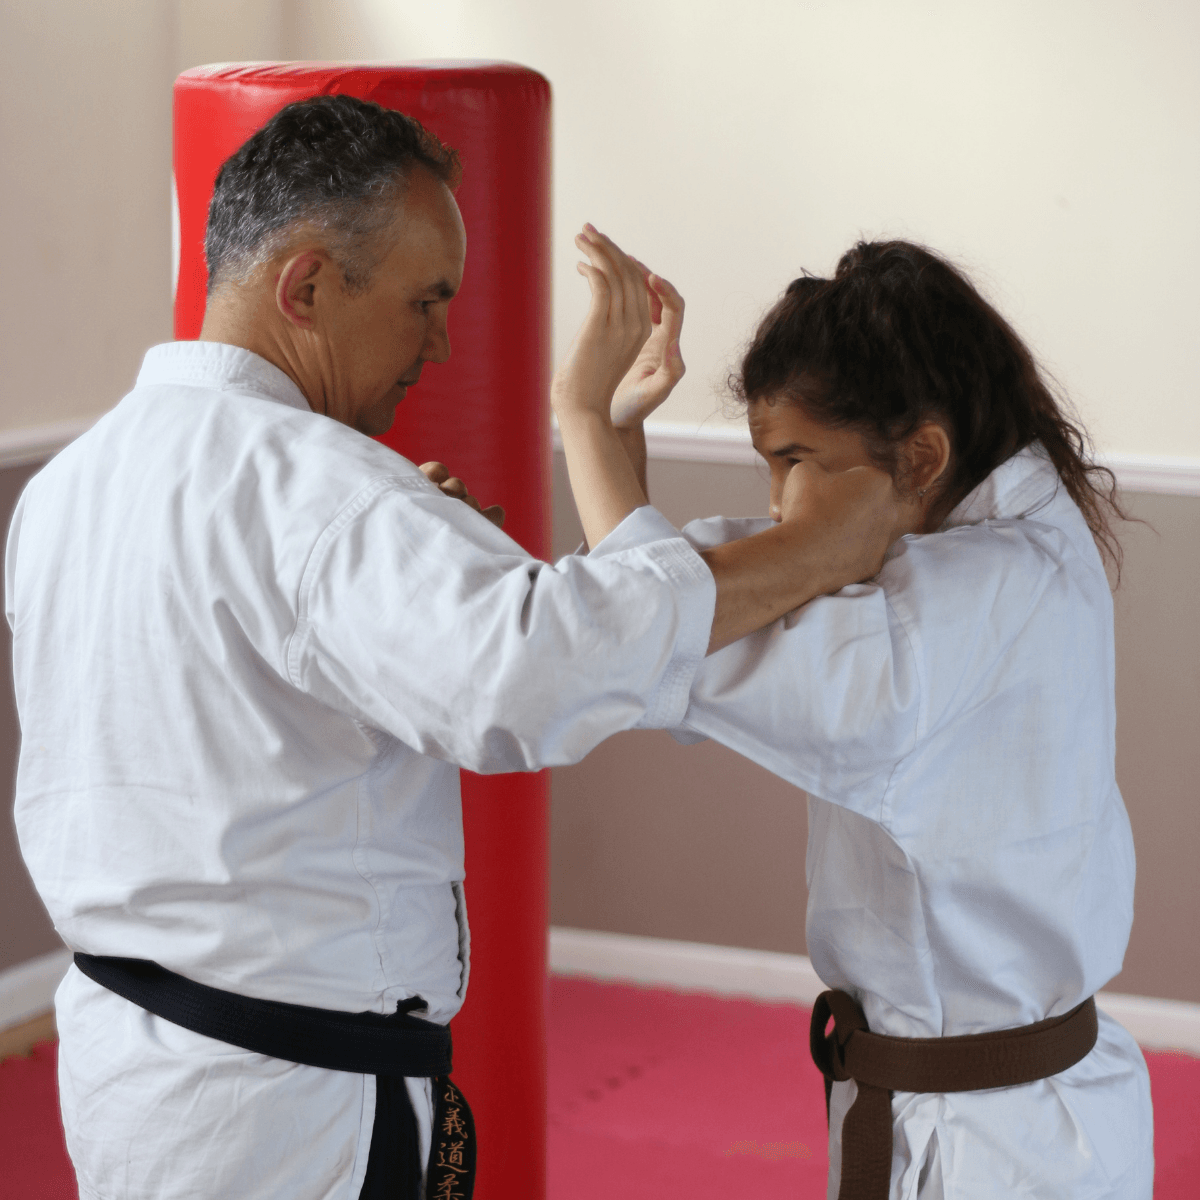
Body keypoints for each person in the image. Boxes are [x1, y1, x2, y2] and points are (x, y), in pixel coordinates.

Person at [6, 96, 900, 1200]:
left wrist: (421, 570)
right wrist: (819, 546)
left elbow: (242, 695)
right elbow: (535, 676)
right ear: (307, 286)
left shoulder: (69, 488)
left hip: (132, 1073)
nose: (439, 343)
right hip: (289, 1112)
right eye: (425, 301)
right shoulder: (323, 495)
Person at [555, 234, 1154, 1198]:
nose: (780, 498)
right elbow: (705, 597)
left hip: (990, 1149)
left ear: (921, 455)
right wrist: (624, 438)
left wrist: (581, 418)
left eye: (796, 457)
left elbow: (662, 632)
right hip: (1006, 1112)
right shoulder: (1008, 537)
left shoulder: (963, 605)